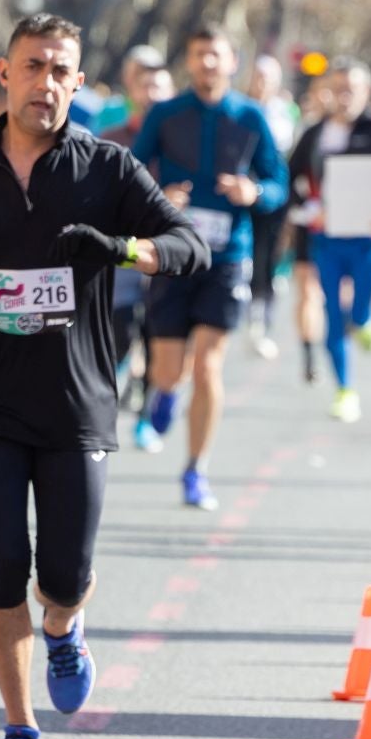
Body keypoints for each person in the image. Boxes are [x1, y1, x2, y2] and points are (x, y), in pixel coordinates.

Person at [0, 14, 206, 739]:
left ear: (78, 81)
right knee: (2, 567)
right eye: (34, 66)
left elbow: (191, 246)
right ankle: (19, 726)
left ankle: (64, 626)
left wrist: (122, 249)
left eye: (62, 70)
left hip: (80, 403)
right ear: (6, 74)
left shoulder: (107, 168)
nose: (47, 82)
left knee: (62, 576)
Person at [133, 25, 287, 509]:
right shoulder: (166, 113)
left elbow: (278, 184)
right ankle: (162, 394)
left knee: (209, 366)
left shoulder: (250, 116)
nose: (207, 64)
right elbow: (132, 172)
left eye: (215, 56)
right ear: (189, 63)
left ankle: (196, 470)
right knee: (167, 367)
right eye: (199, 56)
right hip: (174, 252)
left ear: (232, 62)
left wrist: (254, 193)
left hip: (227, 255)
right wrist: (159, 196)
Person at [286, 58, 371, 422]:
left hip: (367, 240)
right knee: (332, 314)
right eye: (337, 89)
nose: (344, 96)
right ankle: (344, 389)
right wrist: (307, 213)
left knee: (362, 310)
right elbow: (291, 183)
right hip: (326, 238)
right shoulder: (314, 134)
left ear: (366, 92)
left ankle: (366, 322)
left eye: (351, 89)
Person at [99, 60, 174, 443]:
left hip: (168, 256)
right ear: (133, 93)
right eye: (145, 87)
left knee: (160, 339)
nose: (152, 96)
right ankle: (108, 402)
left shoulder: (180, 141)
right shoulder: (112, 139)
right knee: (122, 332)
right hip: (126, 256)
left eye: (160, 88)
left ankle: (146, 415)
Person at [245, 55, 299, 365]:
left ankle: (261, 322)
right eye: (258, 76)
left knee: (268, 258)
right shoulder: (241, 109)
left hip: (274, 198)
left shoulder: (285, 113)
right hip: (242, 194)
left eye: (268, 77)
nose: (262, 83)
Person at [91, 45, 168, 137]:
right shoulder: (111, 111)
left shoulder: (166, 121)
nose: (142, 77)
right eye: (137, 72)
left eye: (149, 72)